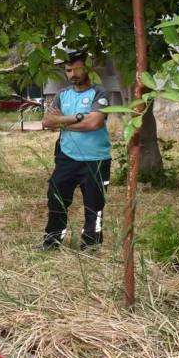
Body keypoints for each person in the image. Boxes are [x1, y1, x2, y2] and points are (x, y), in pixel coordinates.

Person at [40, 53, 111, 251]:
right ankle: (52, 242)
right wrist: (79, 117)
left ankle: (91, 245)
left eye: (77, 69)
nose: (73, 74)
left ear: (87, 69)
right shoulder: (62, 95)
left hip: (96, 159)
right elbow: (46, 122)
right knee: (56, 200)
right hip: (67, 158)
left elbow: (95, 123)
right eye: (69, 70)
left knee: (94, 205)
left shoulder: (100, 93)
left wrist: (62, 121)